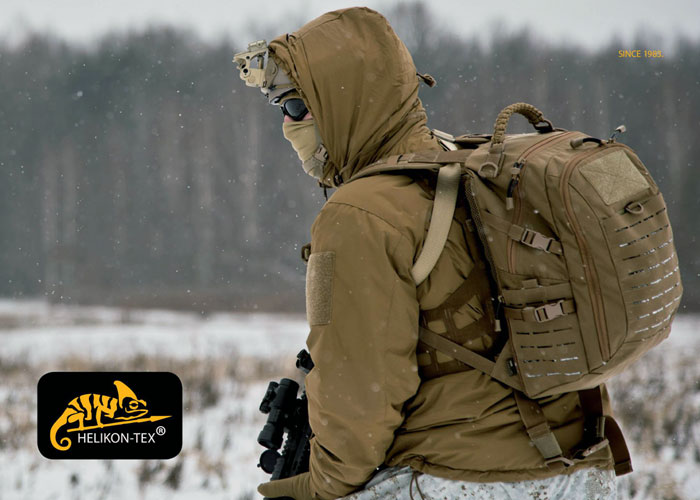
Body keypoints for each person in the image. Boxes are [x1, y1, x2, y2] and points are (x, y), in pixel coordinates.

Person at [235, 7, 618, 500]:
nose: (288, 126)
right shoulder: (472, 168)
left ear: (342, 102)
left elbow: (360, 400)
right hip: (582, 469)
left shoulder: (358, 215)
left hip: (460, 478)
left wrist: (315, 486)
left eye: (295, 107)